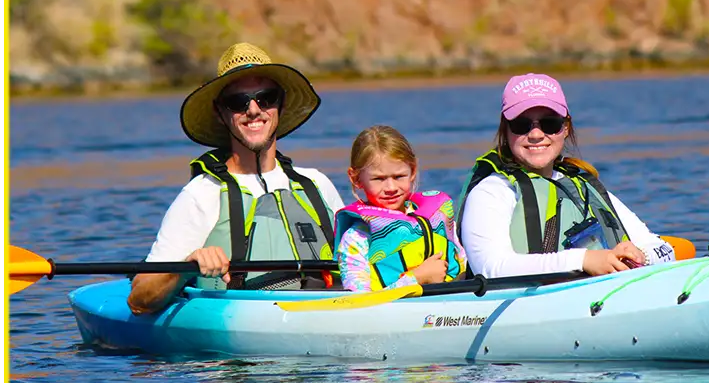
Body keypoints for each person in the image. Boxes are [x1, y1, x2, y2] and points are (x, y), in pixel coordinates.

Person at [128, 42, 345, 315]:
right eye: (238, 102)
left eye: (266, 97)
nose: (254, 110)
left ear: (281, 104)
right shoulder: (201, 195)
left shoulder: (317, 184)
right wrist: (186, 266)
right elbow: (139, 300)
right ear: (221, 113)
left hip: (330, 316)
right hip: (244, 342)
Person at [456, 73, 675, 279]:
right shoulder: (492, 192)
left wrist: (641, 256)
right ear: (505, 131)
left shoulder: (583, 188)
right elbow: (491, 268)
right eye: (521, 125)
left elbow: (664, 249)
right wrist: (584, 260)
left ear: (566, 128)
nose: (535, 135)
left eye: (550, 124)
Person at [334, 125, 467, 292]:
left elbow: (462, 261)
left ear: (413, 171)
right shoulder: (357, 238)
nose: (391, 187)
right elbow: (358, 301)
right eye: (379, 179)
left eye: (399, 177)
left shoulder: (436, 217)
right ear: (356, 179)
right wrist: (417, 278)